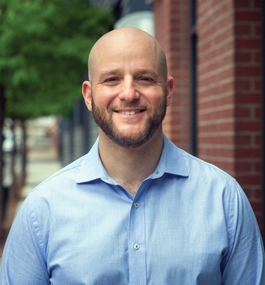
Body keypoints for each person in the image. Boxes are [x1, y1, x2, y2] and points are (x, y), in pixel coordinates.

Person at [0, 27, 264, 284]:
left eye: (145, 79)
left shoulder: (224, 199)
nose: (128, 93)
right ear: (89, 96)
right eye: (112, 79)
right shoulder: (42, 210)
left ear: (168, 91)